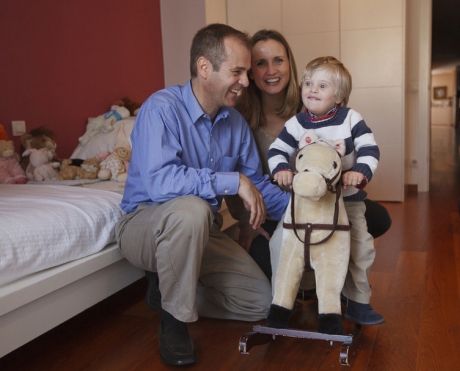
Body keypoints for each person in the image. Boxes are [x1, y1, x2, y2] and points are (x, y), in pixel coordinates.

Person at [115, 24, 289, 366]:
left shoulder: (235, 124)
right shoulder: (160, 109)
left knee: (261, 302)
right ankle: (174, 322)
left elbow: (255, 184)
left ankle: (166, 289)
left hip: (200, 231)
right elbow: (160, 182)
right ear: (204, 67)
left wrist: (305, 208)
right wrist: (231, 180)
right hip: (145, 225)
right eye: (237, 71)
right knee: (192, 209)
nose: (245, 80)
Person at [234, 29, 391, 283]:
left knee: (378, 217)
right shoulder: (240, 118)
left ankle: (335, 272)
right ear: (250, 71)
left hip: (325, 202)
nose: (271, 70)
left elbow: (347, 146)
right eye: (260, 63)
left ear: (290, 64)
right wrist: (245, 222)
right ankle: (310, 278)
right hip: (276, 211)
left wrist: (356, 171)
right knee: (271, 268)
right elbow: (236, 172)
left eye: (278, 60)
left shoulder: (313, 102)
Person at [267, 55, 384, 326]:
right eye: (308, 83)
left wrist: (359, 172)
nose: (312, 90)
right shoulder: (297, 123)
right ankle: (283, 299)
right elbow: (277, 150)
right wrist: (282, 169)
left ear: (339, 95)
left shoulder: (350, 119)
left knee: (359, 246)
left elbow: (370, 149)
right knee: (285, 244)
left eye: (322, 86)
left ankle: (357, 301)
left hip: (346, 202)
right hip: (306, 204)